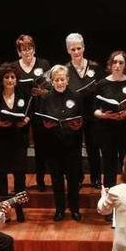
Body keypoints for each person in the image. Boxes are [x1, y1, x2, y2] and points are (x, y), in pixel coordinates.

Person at [37, 65, 84, 221]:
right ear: (52, 81)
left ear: (67, 80)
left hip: (72, 145)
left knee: (73, 180)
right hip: (53, 146)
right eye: (56, 80)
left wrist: (77, 125)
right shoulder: (46, 98)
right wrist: (46, 125)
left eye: (62, 79)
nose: (59, 82)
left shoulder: (76, 97)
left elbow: (81, 118)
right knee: (57, 180)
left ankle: (75, 209)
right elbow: (41, 120)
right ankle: (59, 210)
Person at [0, 63, 30, 222]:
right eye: (7, 77)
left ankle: (20, 209)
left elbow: (30, 113)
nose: (10, 80)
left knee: (20, 177)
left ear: (17, 80)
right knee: (2, 175)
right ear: (1, 80)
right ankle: (5, 212)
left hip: (18, 140)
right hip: (0, 141)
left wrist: (26, 120)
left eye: (13, 77)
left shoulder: (24, 94)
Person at [94, 51, 126, 189]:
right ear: (110, 64)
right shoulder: (102, 84)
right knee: (108, 163)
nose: (117, 65)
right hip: (107, 129)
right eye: (115, 62)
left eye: (121, 62)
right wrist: (104, 115)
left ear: (125, 65)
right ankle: (109, 194)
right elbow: (95, 110)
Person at [12, 34, 51, 192]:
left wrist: (41, 91)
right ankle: (19, 182)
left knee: (41, 147)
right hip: (22, 112)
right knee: (20, 146)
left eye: (30, 48)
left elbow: (50, 87)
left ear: (34, 49)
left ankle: (41, 179)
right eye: (23, 49)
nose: (27, 52)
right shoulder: (14, 66)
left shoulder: (44, 63)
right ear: (19, 51)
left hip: (40, 111)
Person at [66, 33, 102, 188]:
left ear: (84, 48)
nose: (76, 52)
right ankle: (77, 177)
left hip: (92, 114)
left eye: (79, 48)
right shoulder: (65, 70)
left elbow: (101, 89)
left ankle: (95, 178)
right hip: (74, 115)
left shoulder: (94, 67)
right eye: (73, 49)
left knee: (93, 146)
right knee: (75, 148)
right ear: (68, 50)